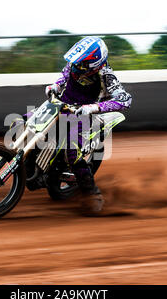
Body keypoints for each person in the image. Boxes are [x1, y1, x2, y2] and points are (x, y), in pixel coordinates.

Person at [45, 36, 132, 216]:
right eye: (76, 63)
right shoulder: (75, 63)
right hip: (61, 106)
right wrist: (54, 85)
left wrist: (92, 108)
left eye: (81, 65)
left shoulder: (106, 75)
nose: (76, 68)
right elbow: (64, 75)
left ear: (95, 64)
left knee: (71, 151)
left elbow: (126, 99)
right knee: (21, 122)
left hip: (84, 115)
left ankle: (92, 194)